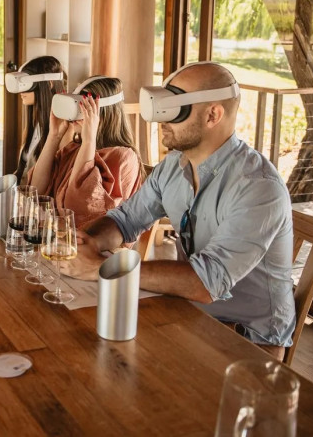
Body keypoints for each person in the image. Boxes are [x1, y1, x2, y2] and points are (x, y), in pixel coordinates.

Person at [61, 62, 295, 359]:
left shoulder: (258, 187)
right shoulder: (173, 165)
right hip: (186, 309)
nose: (162, 119)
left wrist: (100, 269)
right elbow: (125, 219)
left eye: (175, 108)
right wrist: (88, 241)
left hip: (247, 337)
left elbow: (207, 281)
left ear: (213, 114)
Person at [28, 76, 144, 226]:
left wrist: (89, 140)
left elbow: (77, 208)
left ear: (104, 113)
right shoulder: (74, 149)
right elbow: (34, 191)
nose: (76, 114)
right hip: (57, 236)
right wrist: (54, 136)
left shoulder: (123, 157)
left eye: (84, 107)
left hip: (93, 244)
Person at [6, 56, 67, 183]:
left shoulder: (64, 130)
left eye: (27, 83)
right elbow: (20, 172)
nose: (21, 90)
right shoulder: (34, 123)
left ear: (49, 83)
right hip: (20, 196)